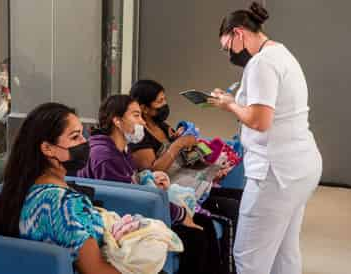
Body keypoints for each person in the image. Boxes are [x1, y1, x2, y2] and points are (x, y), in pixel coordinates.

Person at [207, 2, 323, 274]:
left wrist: (229, 104)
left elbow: (260, 121)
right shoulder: (281, 53)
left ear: (239, 33)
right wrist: (236, 102)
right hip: (300, 167)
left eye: (227, 48)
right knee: (284, 250)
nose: (228, 55)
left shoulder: (261, 64)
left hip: (275, 174)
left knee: (249, 256)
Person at [78, 95, 224, 274]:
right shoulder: (105, 156)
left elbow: (129, 183)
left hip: (137, 211)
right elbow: (126, 198)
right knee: (196, 236)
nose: (143, 123)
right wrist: (179, 213)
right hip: (123, 220)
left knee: (204, 223)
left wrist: (149, 179)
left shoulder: (120, 150)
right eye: (136, 115)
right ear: (117, 120)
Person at [0, 103, 120, 274]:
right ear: (47, 148)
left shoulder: (24, 186)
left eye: (83, 134)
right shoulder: (63, 204)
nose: (85, 142)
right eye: (75, 137)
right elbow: (95, 270)